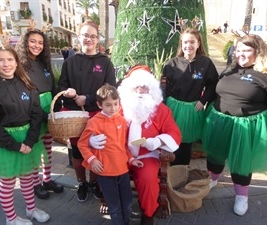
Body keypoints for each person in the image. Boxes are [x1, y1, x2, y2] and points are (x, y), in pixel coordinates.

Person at [90, 65, 181, 225]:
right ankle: (114, 206)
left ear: (151, 89)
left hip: (147, 155)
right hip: (119, 153)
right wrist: (92, 139)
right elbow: (100, 123)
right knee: (109, 172)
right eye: (136, 87)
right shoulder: (118, 107)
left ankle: (148, 213)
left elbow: (174, 134)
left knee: (147, 179)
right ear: (129, 88)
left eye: (144, 87)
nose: (140, 91)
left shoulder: (161, 110)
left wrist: (158, 141)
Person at [202, 34, 267, 216]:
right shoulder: (229, 70)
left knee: (241, 161)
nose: (241, 54)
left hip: (245, 127)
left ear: (258, 52)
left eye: (246, 50)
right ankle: (212, 180)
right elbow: (215, 91)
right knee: (214, 153)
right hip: (219, 121)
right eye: (238, 50)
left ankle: (241, 196)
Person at [0, 43, 50, 224]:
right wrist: (15, 145)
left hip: (27, 140)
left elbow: (36, 113)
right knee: (8, 182)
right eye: (0, 60)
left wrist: (30, 140)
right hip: (5, 143)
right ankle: (11, 218)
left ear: (16, 61)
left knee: (27, 178)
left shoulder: (27, 83)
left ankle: (31, 209)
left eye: (10, 59)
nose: (6, 64)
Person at [56, 19, 116, 203]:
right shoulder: (70, 62)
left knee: (97, 150)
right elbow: (62, 88)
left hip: (97, 115)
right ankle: (82, 182)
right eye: (85, 35)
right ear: (78, 37)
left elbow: (111, 89)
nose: (88, 39)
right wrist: (69, 93)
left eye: (92, 36)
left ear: (97, 39)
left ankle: (95, 182)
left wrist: (88, 98)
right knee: (78, 151)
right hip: (75, 115)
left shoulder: (105, 63)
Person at [78, 84, 143, 225]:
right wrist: (93, 160)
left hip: (122, 171)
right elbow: (82, 144)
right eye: (108, 105)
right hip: (106, 173)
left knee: (127, 204)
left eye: (115, 104)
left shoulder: (121, 120)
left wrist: (131, 159)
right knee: (114, 207)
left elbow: (123, 145)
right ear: (99, 105)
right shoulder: (93, 122)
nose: (113, 108)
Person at [15, 26, 64, 199]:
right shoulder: (19, 65)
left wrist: (55, 107)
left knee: (48, 148)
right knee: (35, 149)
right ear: (25, 43)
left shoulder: (44, 63)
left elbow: (52, 86)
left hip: (47, 109)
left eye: (40, 42)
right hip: (32, 111)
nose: (37, 45)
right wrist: (40, 114)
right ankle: (35, 184)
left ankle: (47, 179)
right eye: (33, 41)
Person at [162, 28, 219, 166]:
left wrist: (203, 100)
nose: (189, 45)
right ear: (181, 44)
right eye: (185, 42)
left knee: (186, 144)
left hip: (193, 109)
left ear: (198, 43)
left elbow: (213, 84)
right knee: (172, 141)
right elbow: (163, 88)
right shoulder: (171, 64)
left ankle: (183, 171)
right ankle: (172, 173)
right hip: (173, 108)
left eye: (192, 42)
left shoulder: (206, 64)